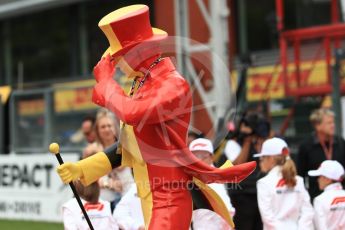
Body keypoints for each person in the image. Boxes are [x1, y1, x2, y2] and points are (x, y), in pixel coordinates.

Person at [56, 5, 256, 230]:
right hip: (152, 197)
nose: (117, 64)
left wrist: (106, 84)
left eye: (118, 57)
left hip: (169, 198)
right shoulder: (139, 85)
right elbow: (127, 149)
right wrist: (82, 169)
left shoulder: (173, 84)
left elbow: (132, 113)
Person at [256, 137, 314, 230]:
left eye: (262, 157)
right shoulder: (298, 180)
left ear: (271, 159)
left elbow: (267, 218)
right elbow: (308, 211)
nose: (260, 161)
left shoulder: (263, 183)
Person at [227, 112, 270, 230]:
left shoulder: (261, 142)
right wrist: (247, 142)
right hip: (242, 195)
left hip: (260, 193)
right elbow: (238, 165)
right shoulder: (233, 143)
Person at [298, 108, 345, 200]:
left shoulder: (340, 143)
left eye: (333, 122)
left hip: (340, 200)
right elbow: (300, 175)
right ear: (317, 125)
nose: (333, 125)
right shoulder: (306, 146)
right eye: (329, 123)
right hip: (316, 198)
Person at [189, 138, 235, 230]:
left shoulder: (215, 178)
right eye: (195, 156)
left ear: (212, 157)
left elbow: (228, 210)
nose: (199, 160)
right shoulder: (188, 177)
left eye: (203, 156)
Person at [308, 160, 345, 230]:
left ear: (328, 179)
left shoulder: (320, 200)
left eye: (320, 176)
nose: (318, 180)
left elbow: (321, 227)